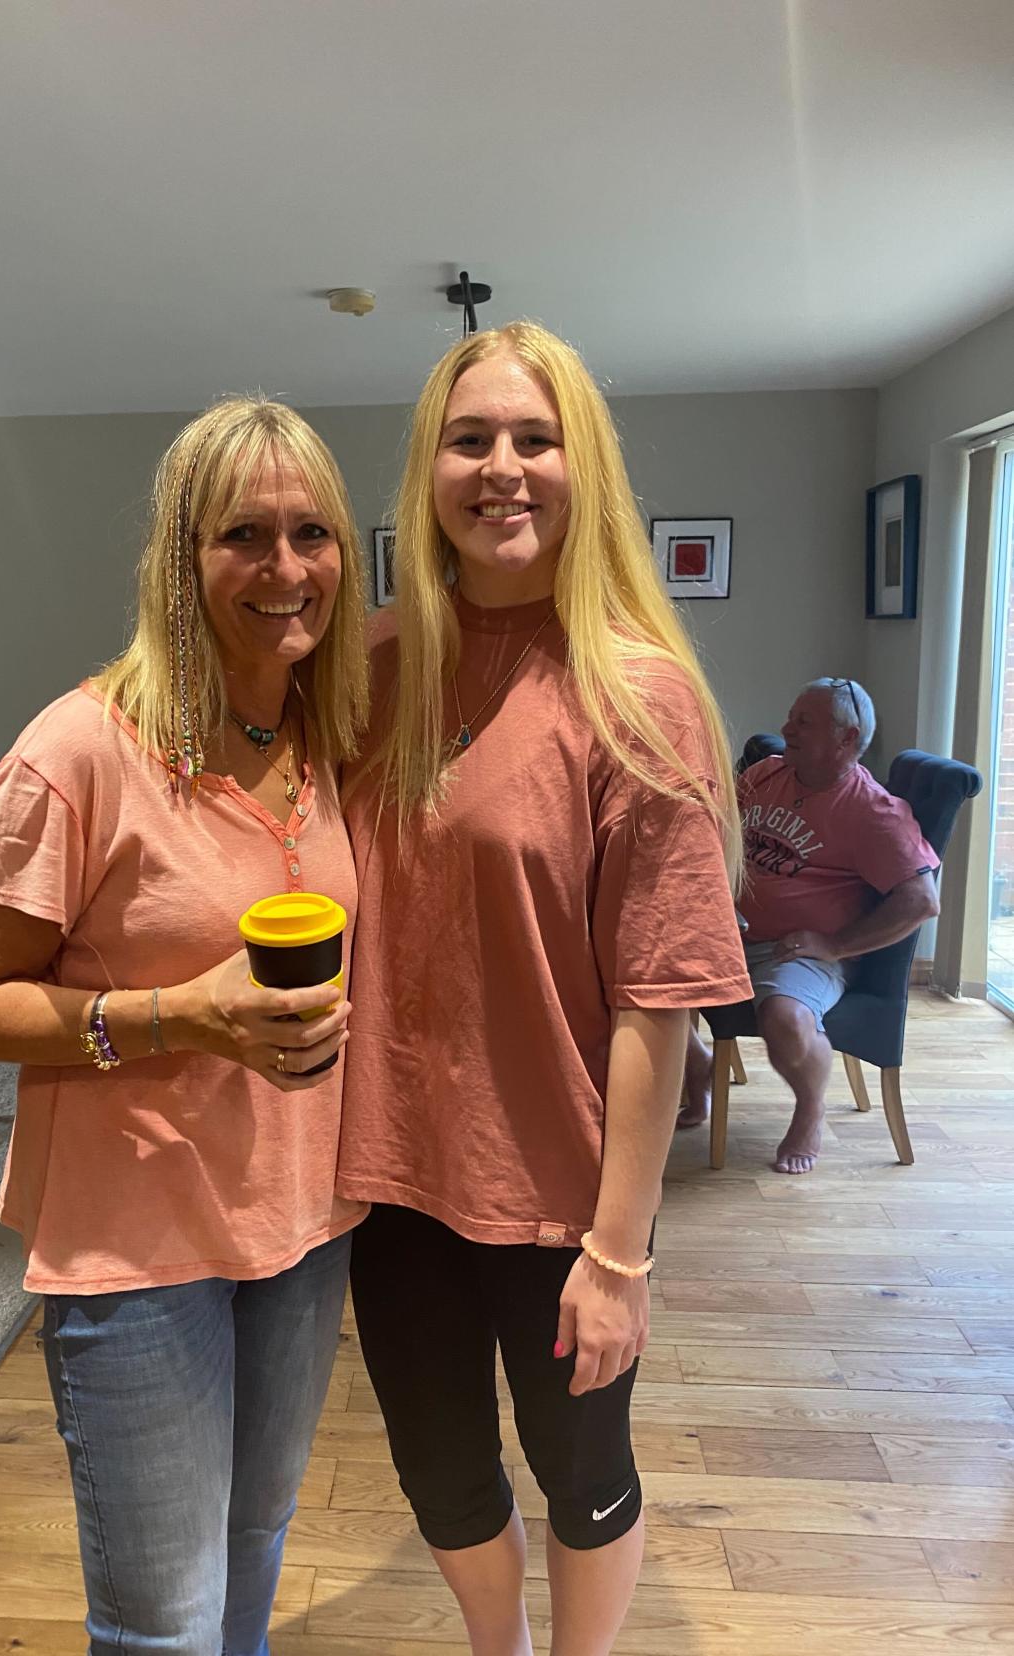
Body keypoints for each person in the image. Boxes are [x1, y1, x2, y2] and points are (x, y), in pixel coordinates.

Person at [337, 323, 751, 1656]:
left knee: (581, 1483)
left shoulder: (634, 693)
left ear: (584, 467)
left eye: (535, 437)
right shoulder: (372, 668)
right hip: (393, 1173)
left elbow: (659, 998)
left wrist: (617, 1255)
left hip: (562, 1195)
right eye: (470, 440)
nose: (502, 468)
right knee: (441, 1475)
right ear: (427, 471)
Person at [0, 398, 370, 1656]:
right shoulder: (77, 750)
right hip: (138, 1242)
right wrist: (180, 1017)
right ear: (181, 559)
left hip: (300, 1221)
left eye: (313, 533)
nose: (286, 570)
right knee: (159, 1617)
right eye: (245, 535)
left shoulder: (319, 731)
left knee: (253, 1552)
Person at [678, 677, 940, 1174]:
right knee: (636, 974)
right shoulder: (765, 774)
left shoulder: (873, 812)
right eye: (791, 716)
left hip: (795, 951)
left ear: (846, 738)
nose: (784, 729)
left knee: (786, 1020)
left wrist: (835, 945)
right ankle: (700, 1068)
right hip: (729, 930)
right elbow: (717, 833)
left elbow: (921, 900)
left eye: (804, 722)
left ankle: (811, 1108)